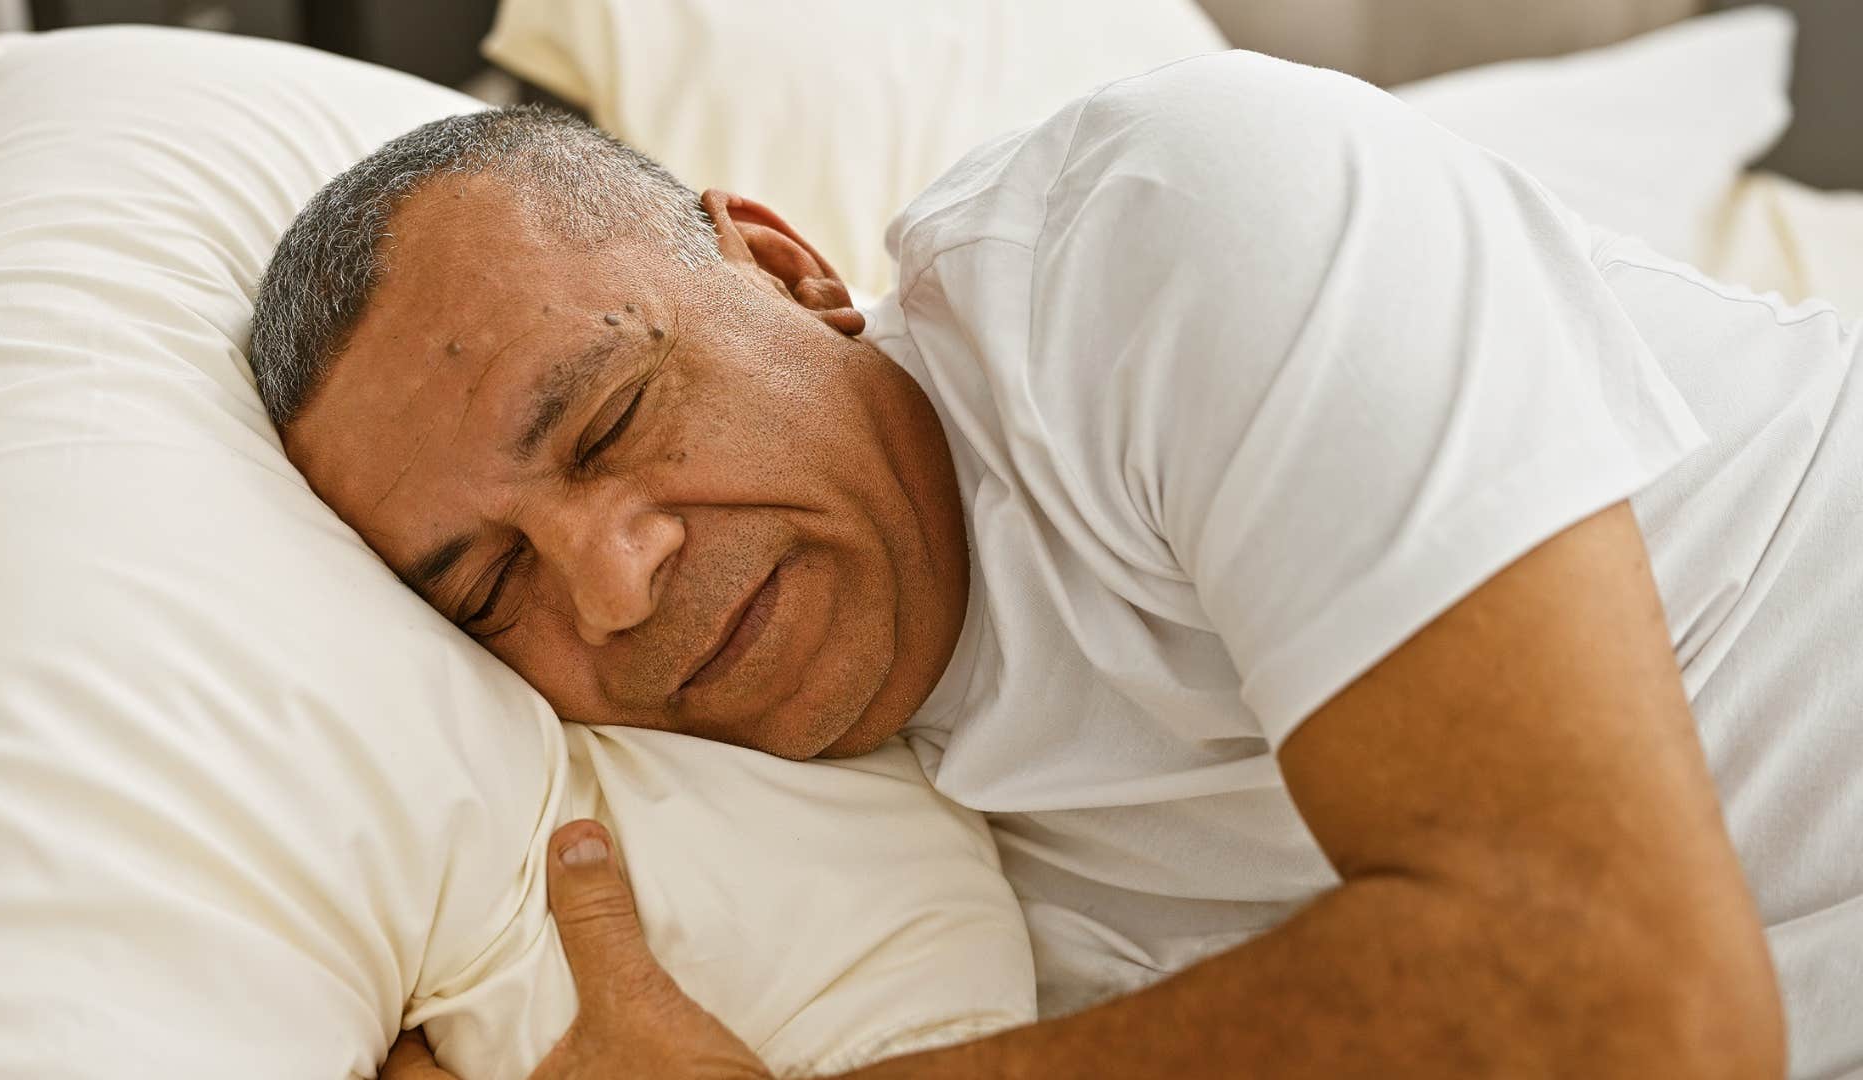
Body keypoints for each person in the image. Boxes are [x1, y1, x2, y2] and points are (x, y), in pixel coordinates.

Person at [249, 51, 1863, 1079]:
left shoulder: (1171, 226)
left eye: (612, 419)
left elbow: (1621, 998)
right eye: (488, 592)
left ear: (789, 272)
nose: (611, 590)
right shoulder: (795, 872)